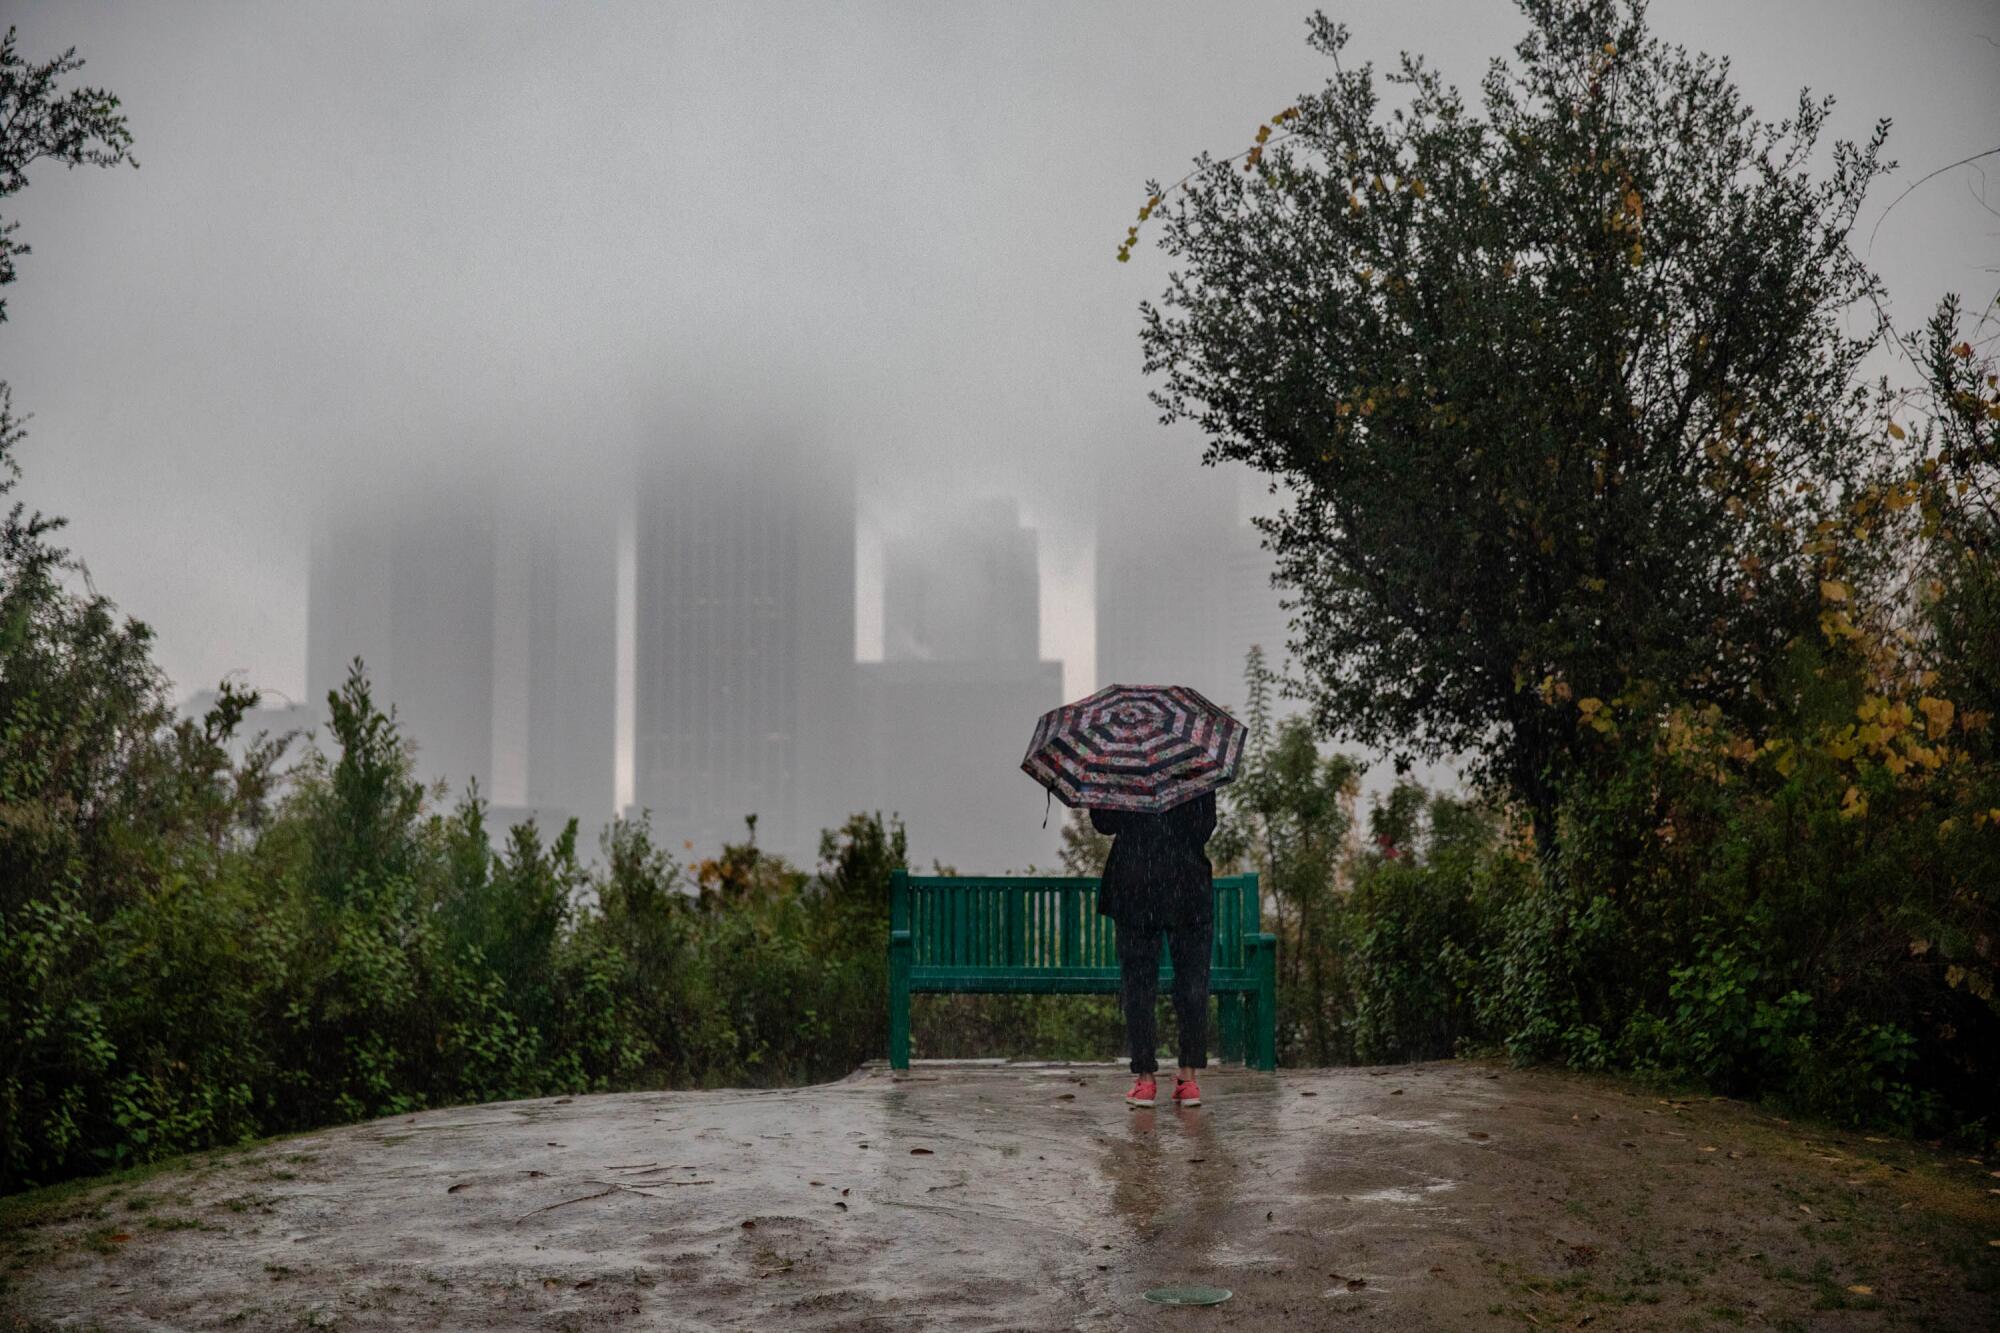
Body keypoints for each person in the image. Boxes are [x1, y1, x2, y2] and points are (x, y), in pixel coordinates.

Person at [1090, 788, 1219, 1109]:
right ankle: (1188, 1079)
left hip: (1135, 886)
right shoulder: (1193, 762)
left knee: (1138, 985)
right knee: (1192, 983)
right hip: (1187, 886)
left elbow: (1104, 823)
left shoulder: (1120, 767)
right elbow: (1205, 826)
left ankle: (1145, 1080)